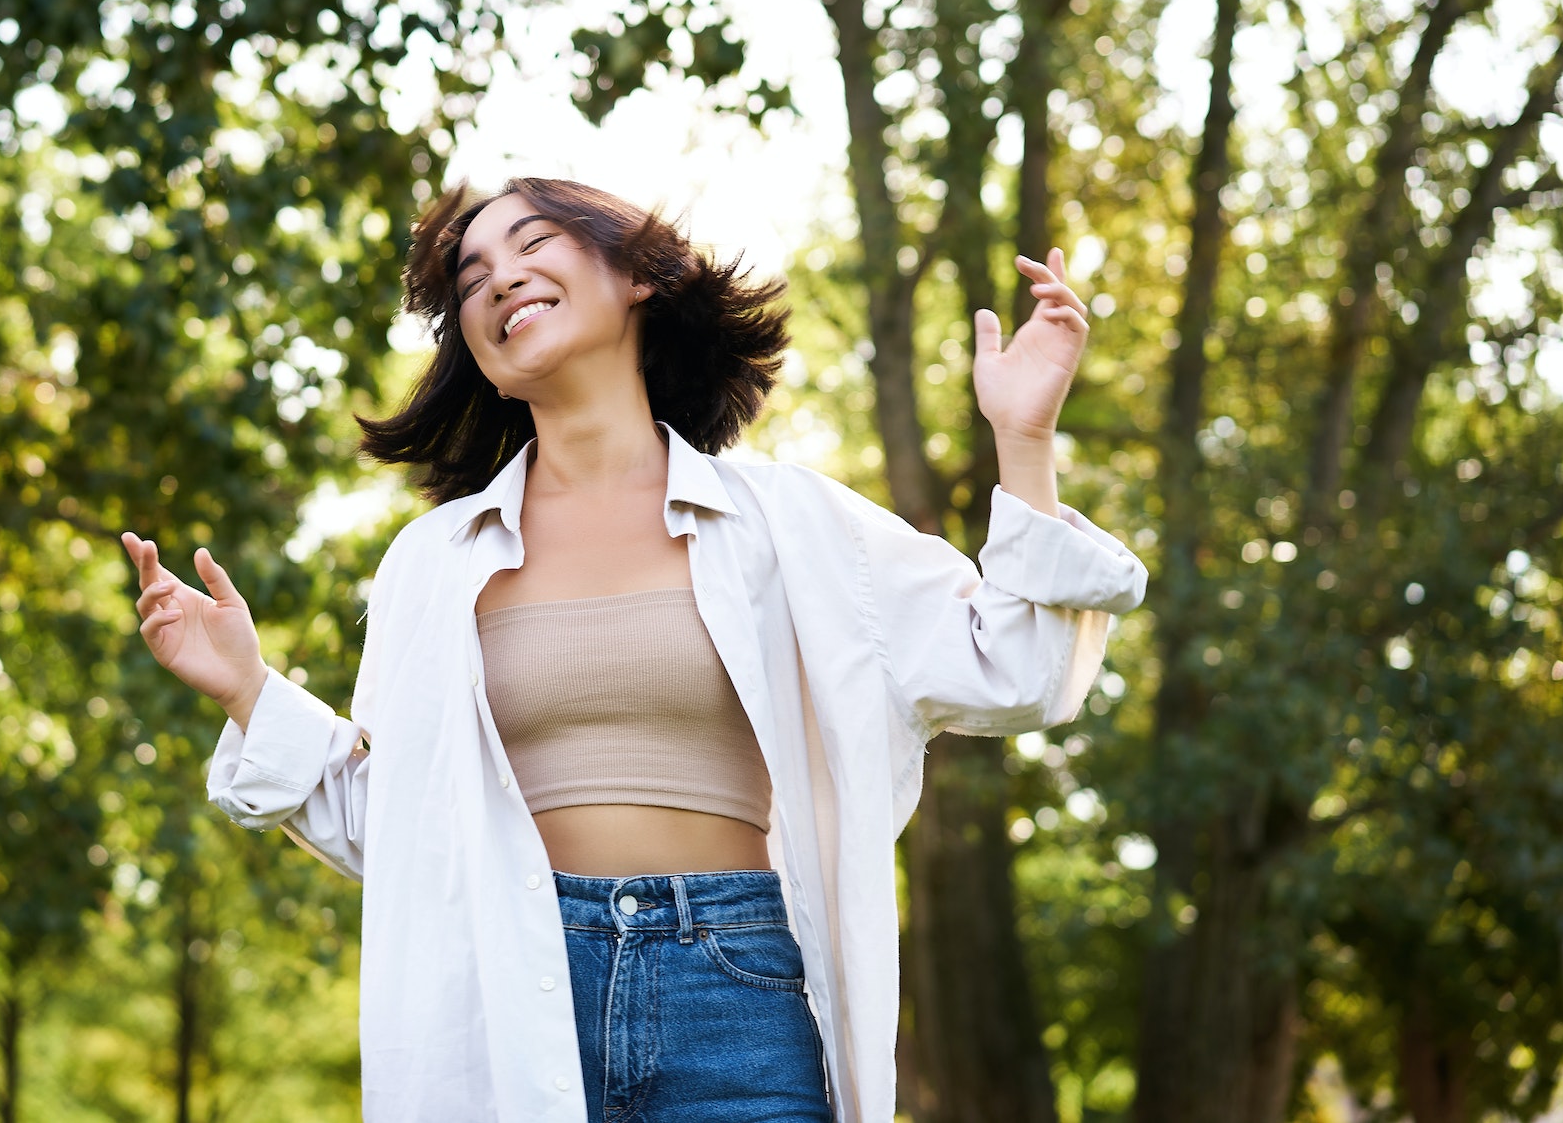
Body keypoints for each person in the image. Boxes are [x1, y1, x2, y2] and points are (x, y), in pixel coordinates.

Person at [119, 177, 1147, 1123]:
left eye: (532, 242)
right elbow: (403, 836)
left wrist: (1023, 438)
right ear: (472, 347)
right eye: (469, 278)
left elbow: (1018, 670)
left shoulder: (789, 525)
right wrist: (249, 690)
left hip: (734, 989)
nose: (499, 278)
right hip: (510, 991)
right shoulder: (434, 561)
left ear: (639, 275)